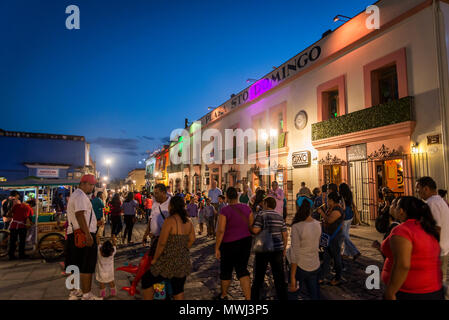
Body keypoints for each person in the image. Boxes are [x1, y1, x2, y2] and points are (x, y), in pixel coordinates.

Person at [382, 196, 443, 300]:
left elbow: (403, 265)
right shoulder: (428, 228)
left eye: (396, 206)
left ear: (401, 211)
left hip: (408, 292)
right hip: (432, 289)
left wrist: (391, 291)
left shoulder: (403, 230)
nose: (393, 208)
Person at [141, 196, 195, 300]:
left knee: (146, 280)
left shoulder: (170, 220)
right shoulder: (189, 221)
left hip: (168, 261)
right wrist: (182, 249)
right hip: (183, 261)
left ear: (172, 206)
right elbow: (192, 239)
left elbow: (161, 243)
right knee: (178, 289)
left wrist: (155, 259)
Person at [66, 174, 102, 300]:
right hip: (82, 234)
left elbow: (81, 216)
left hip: (73, 234)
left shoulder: (76, 195)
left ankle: (74, 292)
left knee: (73, 264)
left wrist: (94, 223)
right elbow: (80, 215)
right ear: (84, 183)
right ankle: (87, 295)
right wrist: (88, 234)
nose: (92, 188)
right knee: (87, 265)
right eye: (91, 185)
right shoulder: (81, 195)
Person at [215, 187, 253, 300]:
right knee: (242, 269)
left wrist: (217, 247)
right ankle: (248, 298)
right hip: (245, 241)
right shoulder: (247, 208)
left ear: (226, 197)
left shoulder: (225, 211)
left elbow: (221, 230)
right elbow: (251, 225)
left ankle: (224, 294)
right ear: (237, 196)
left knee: (226, 270)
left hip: (229, 244)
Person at [251, 196, 288, 300]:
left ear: (266, 204)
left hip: (264, 249)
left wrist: (250, 227)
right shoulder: (280, 216)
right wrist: (284, 249)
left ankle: (254, 298)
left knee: (258, 277)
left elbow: (255, 230)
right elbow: (285, 235)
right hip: (277, 250)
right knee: (279, 277)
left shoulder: (261, 214)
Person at [416, 177, 449, 283]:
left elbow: (436, 228)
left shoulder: (432, 203)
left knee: (437, 283)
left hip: (437, 251)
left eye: (418, 188)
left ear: (426, 188)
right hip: (443, 248)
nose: (417, 192)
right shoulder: (439, 201)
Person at [289, 197, 321, 300]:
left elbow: (295, 253)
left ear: (298, 207)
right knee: (314, 294)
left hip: (300, 266)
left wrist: (292, 276)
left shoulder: (297, 227)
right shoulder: (317, 224)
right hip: (315, 264)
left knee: (293, 295)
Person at [319, 191, 345, 286]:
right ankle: (322, 276)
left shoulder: (338, 209)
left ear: (332, 200)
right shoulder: (332, 208)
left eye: (328, 200)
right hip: (329, 236)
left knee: (336, 258)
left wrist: (322, 212)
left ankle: (338, 277)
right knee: (326, 257)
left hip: (335, 237)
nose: (327, 201)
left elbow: (330, 220)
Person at [143, 184, 171, 258]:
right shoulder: (155, 204)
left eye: (157, 193)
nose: (154, 195)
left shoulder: (171, 204)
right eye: (154, 193)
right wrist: (146, 234)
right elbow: (151, 219)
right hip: (154, 239)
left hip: (165, 240)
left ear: (163, 193)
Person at [338, 183, 361, 260]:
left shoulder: (341, 196)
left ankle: (355, 251)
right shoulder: (350, 194)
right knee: (346, 234)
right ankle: (346, 252)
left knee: (344, 235)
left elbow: (342, 207)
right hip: (350, 214)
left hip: (345, 215)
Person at [8, 195, 33, 260]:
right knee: (22, 241)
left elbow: (9, 213)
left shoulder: (16, 206)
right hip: (22, 226)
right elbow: (30, 217)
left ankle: (11, 255)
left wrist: (15, 217)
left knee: (12, 241)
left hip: (13, 225)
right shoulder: (29, 208)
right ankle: (21, 255)